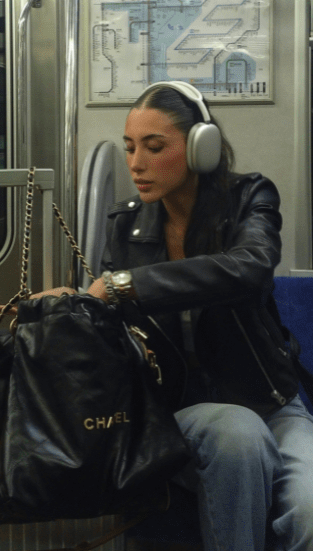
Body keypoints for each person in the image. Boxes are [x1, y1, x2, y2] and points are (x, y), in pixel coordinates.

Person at [44, 81, 312, 550]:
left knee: (308, 509)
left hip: (269, 401)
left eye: (154, 147)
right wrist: (71, 303)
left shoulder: (250, 199)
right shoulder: (125, 224)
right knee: (236, 434)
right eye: (129, 148)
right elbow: (116, 331)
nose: (136, 164)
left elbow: (249, 267)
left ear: (200, 147)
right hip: (181, 409)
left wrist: (127, 286)